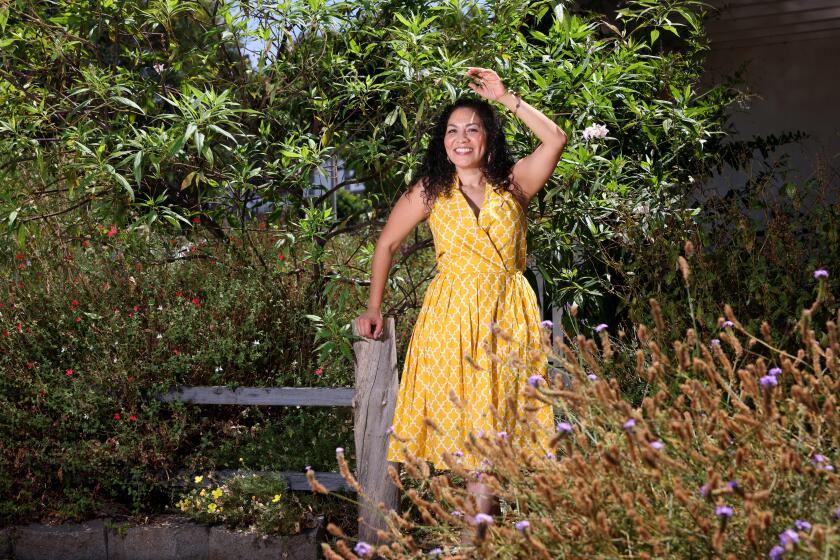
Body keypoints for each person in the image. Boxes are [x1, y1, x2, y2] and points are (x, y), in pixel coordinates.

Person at [355, 67, 567, 518]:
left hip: (507, 318)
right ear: (443, 142)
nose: (462, 138)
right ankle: (468, 535)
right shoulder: (431, 191)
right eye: (453, 131)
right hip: (450, 321)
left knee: (493, 438)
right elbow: (386, 244)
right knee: (465, 436)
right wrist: (374, 307)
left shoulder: (515, 184)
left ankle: (475, 540)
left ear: (488, 136)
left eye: (473, 128)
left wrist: (507, 97)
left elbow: (555, 140)